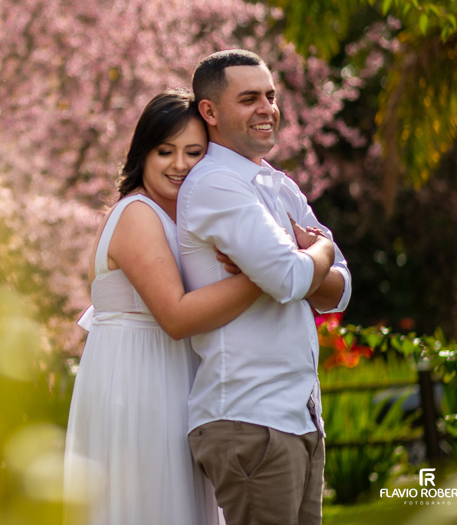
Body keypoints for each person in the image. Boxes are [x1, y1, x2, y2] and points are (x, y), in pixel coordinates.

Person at [64, 89, 331, 525]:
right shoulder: (137, 214)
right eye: (164, 151)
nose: (180, 164)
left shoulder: (181, 220)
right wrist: (265, 272)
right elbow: (176, 315)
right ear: (141, 154)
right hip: (138, 382)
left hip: (178, 378)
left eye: (194, 152)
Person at [177, 49, 351, 525]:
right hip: (250, 419)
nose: (267, 109)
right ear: (209, 112)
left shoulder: (278, 185)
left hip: (299, 416)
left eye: (271, 96)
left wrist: (308, 266)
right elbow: (289, 278)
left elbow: (338, 293)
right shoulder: (216, 184)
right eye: (249, 98)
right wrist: (321, 252)